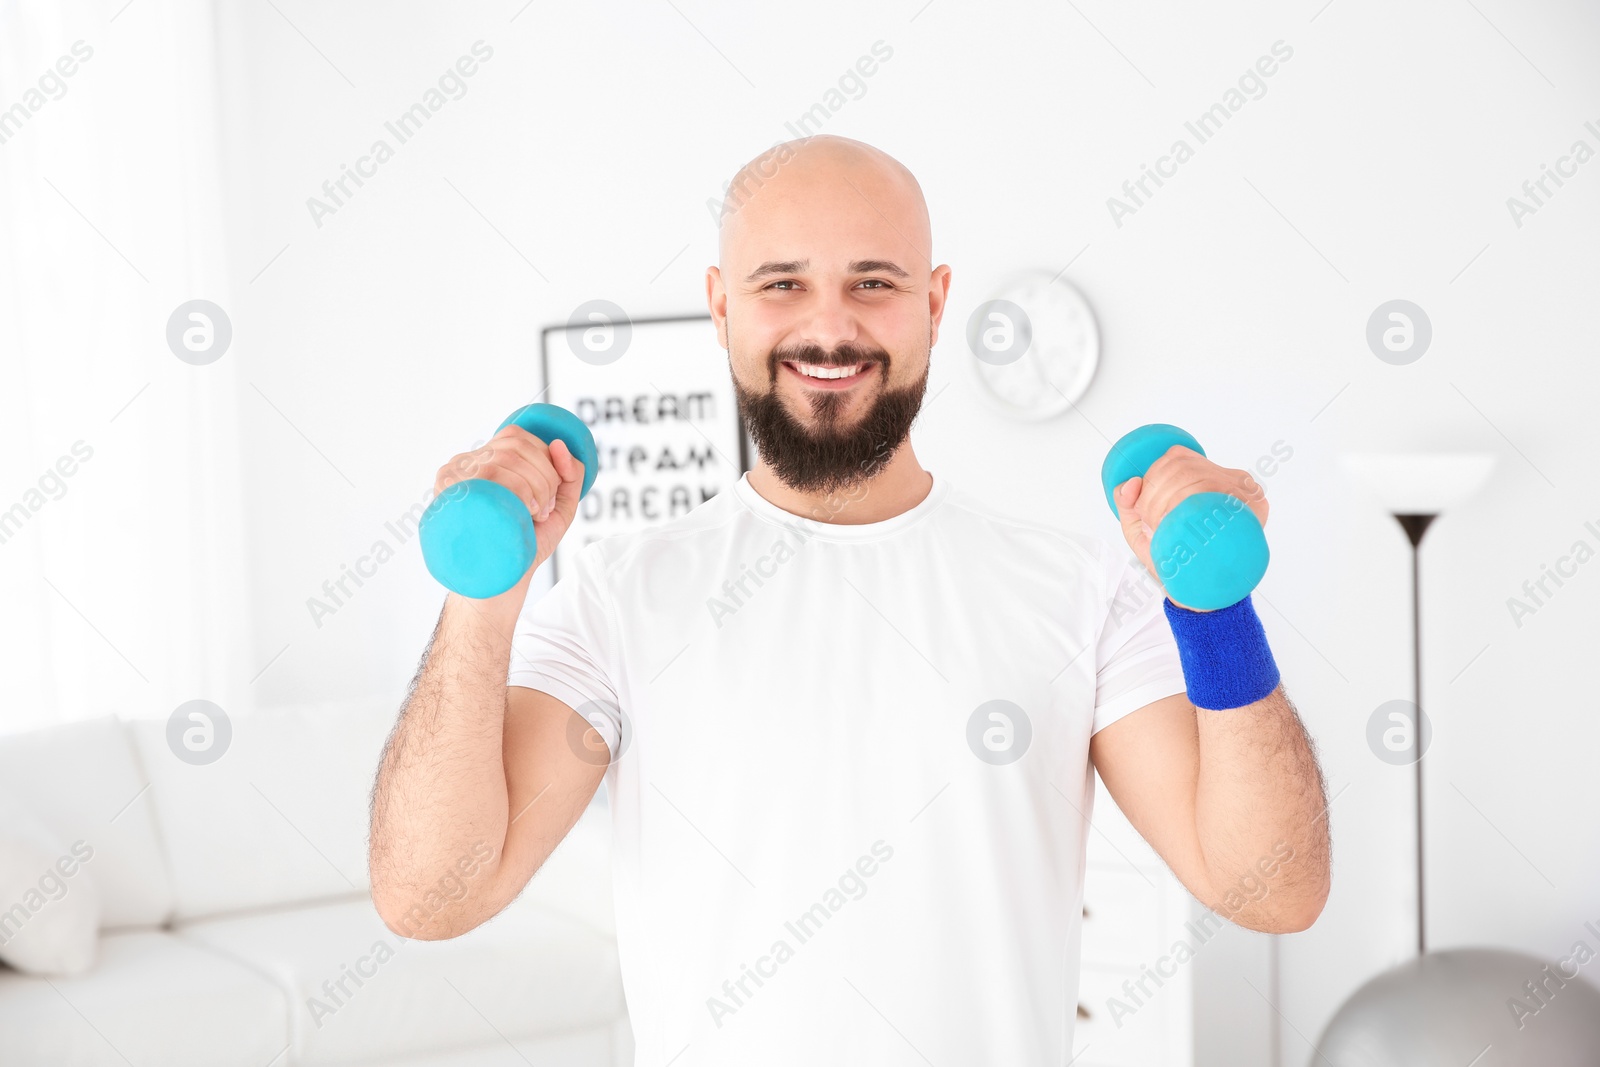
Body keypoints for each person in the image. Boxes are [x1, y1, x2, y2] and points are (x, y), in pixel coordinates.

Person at [369, 134, 1330, 1065]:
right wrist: (484, 598)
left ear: (936, 301)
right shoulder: (622, 597)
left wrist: (1214, 609)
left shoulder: (1077, 591)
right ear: (720, 305)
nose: (829, 327)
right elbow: (429, 897)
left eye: (873, 282)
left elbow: (1273, 890)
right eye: (781, 282)